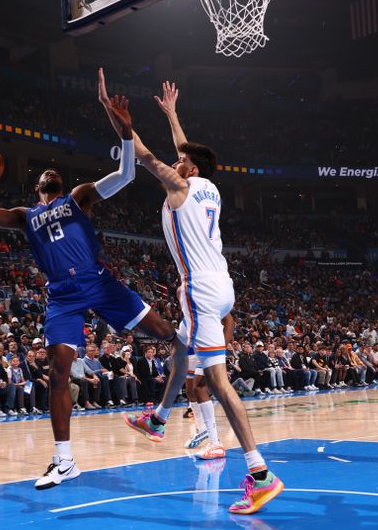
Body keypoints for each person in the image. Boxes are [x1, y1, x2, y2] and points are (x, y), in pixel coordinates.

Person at [0, 70, 177, 490]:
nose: (47, 175)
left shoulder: (79, 196)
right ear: (37, 189)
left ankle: (190, 414)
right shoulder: (26, 217)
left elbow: (125, 176)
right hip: (62, 296)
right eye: (42, 176)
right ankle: (64, 460)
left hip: (98, 282)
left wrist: (127, 131)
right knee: (58, 372)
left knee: (170, 332)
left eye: (51, 173)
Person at [121, 76, 283, 515]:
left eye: (181, 161)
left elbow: (150, 156)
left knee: (217, 381)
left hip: (201, 290)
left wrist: (122, 124)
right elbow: (184, 149)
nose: (177, 161)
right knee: (179, 346)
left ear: (187, 169)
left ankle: (260, 472)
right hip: (223, 284)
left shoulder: (179, 185)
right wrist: (172, 114)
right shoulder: (208, 186)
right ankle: (157, 420)